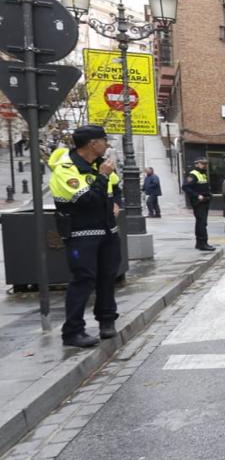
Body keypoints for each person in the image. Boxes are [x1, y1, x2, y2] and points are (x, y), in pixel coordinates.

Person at [48, 125, 123, 349]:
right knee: (83, 279)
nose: (106, 144)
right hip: (82, 234)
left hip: (108, 232)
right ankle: (72, 331)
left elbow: (115, 188)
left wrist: (117, 202)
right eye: (103, 140)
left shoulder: (100, 165)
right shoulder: (66, 169)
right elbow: (87, 200)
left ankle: (107, 321)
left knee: (107, 277)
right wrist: (102, 176)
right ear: (92, 143)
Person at [183, 158, 215, 251]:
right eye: (202, 164)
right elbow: (185, 187)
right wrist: (197, 196)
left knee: (202, 223)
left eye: (206, 164)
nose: (205, 165)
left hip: (205, 201)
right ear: (196, 164)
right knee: (201, 223)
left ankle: (200, 243)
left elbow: (203, 186)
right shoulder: (193, 174)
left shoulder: (203, 174)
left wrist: (209, 194)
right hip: (198, 202)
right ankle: (203, 244)